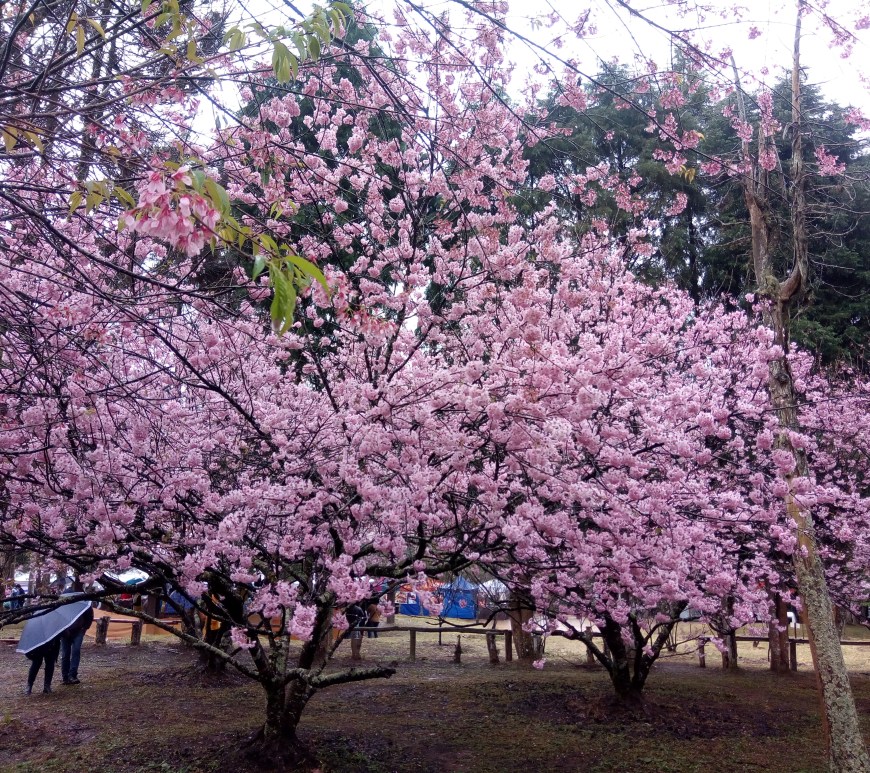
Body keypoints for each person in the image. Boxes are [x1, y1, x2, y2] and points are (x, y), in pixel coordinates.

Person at [60, 605, 94, 685]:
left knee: (76, 651)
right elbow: (59, 618)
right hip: (65, 631)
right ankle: (65, 676)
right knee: (65, 654)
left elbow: (90, 614)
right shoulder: (63, 604)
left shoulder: (83, 603)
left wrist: (85, 628)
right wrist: (63, 630)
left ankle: (72, 675)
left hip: (78, 631)